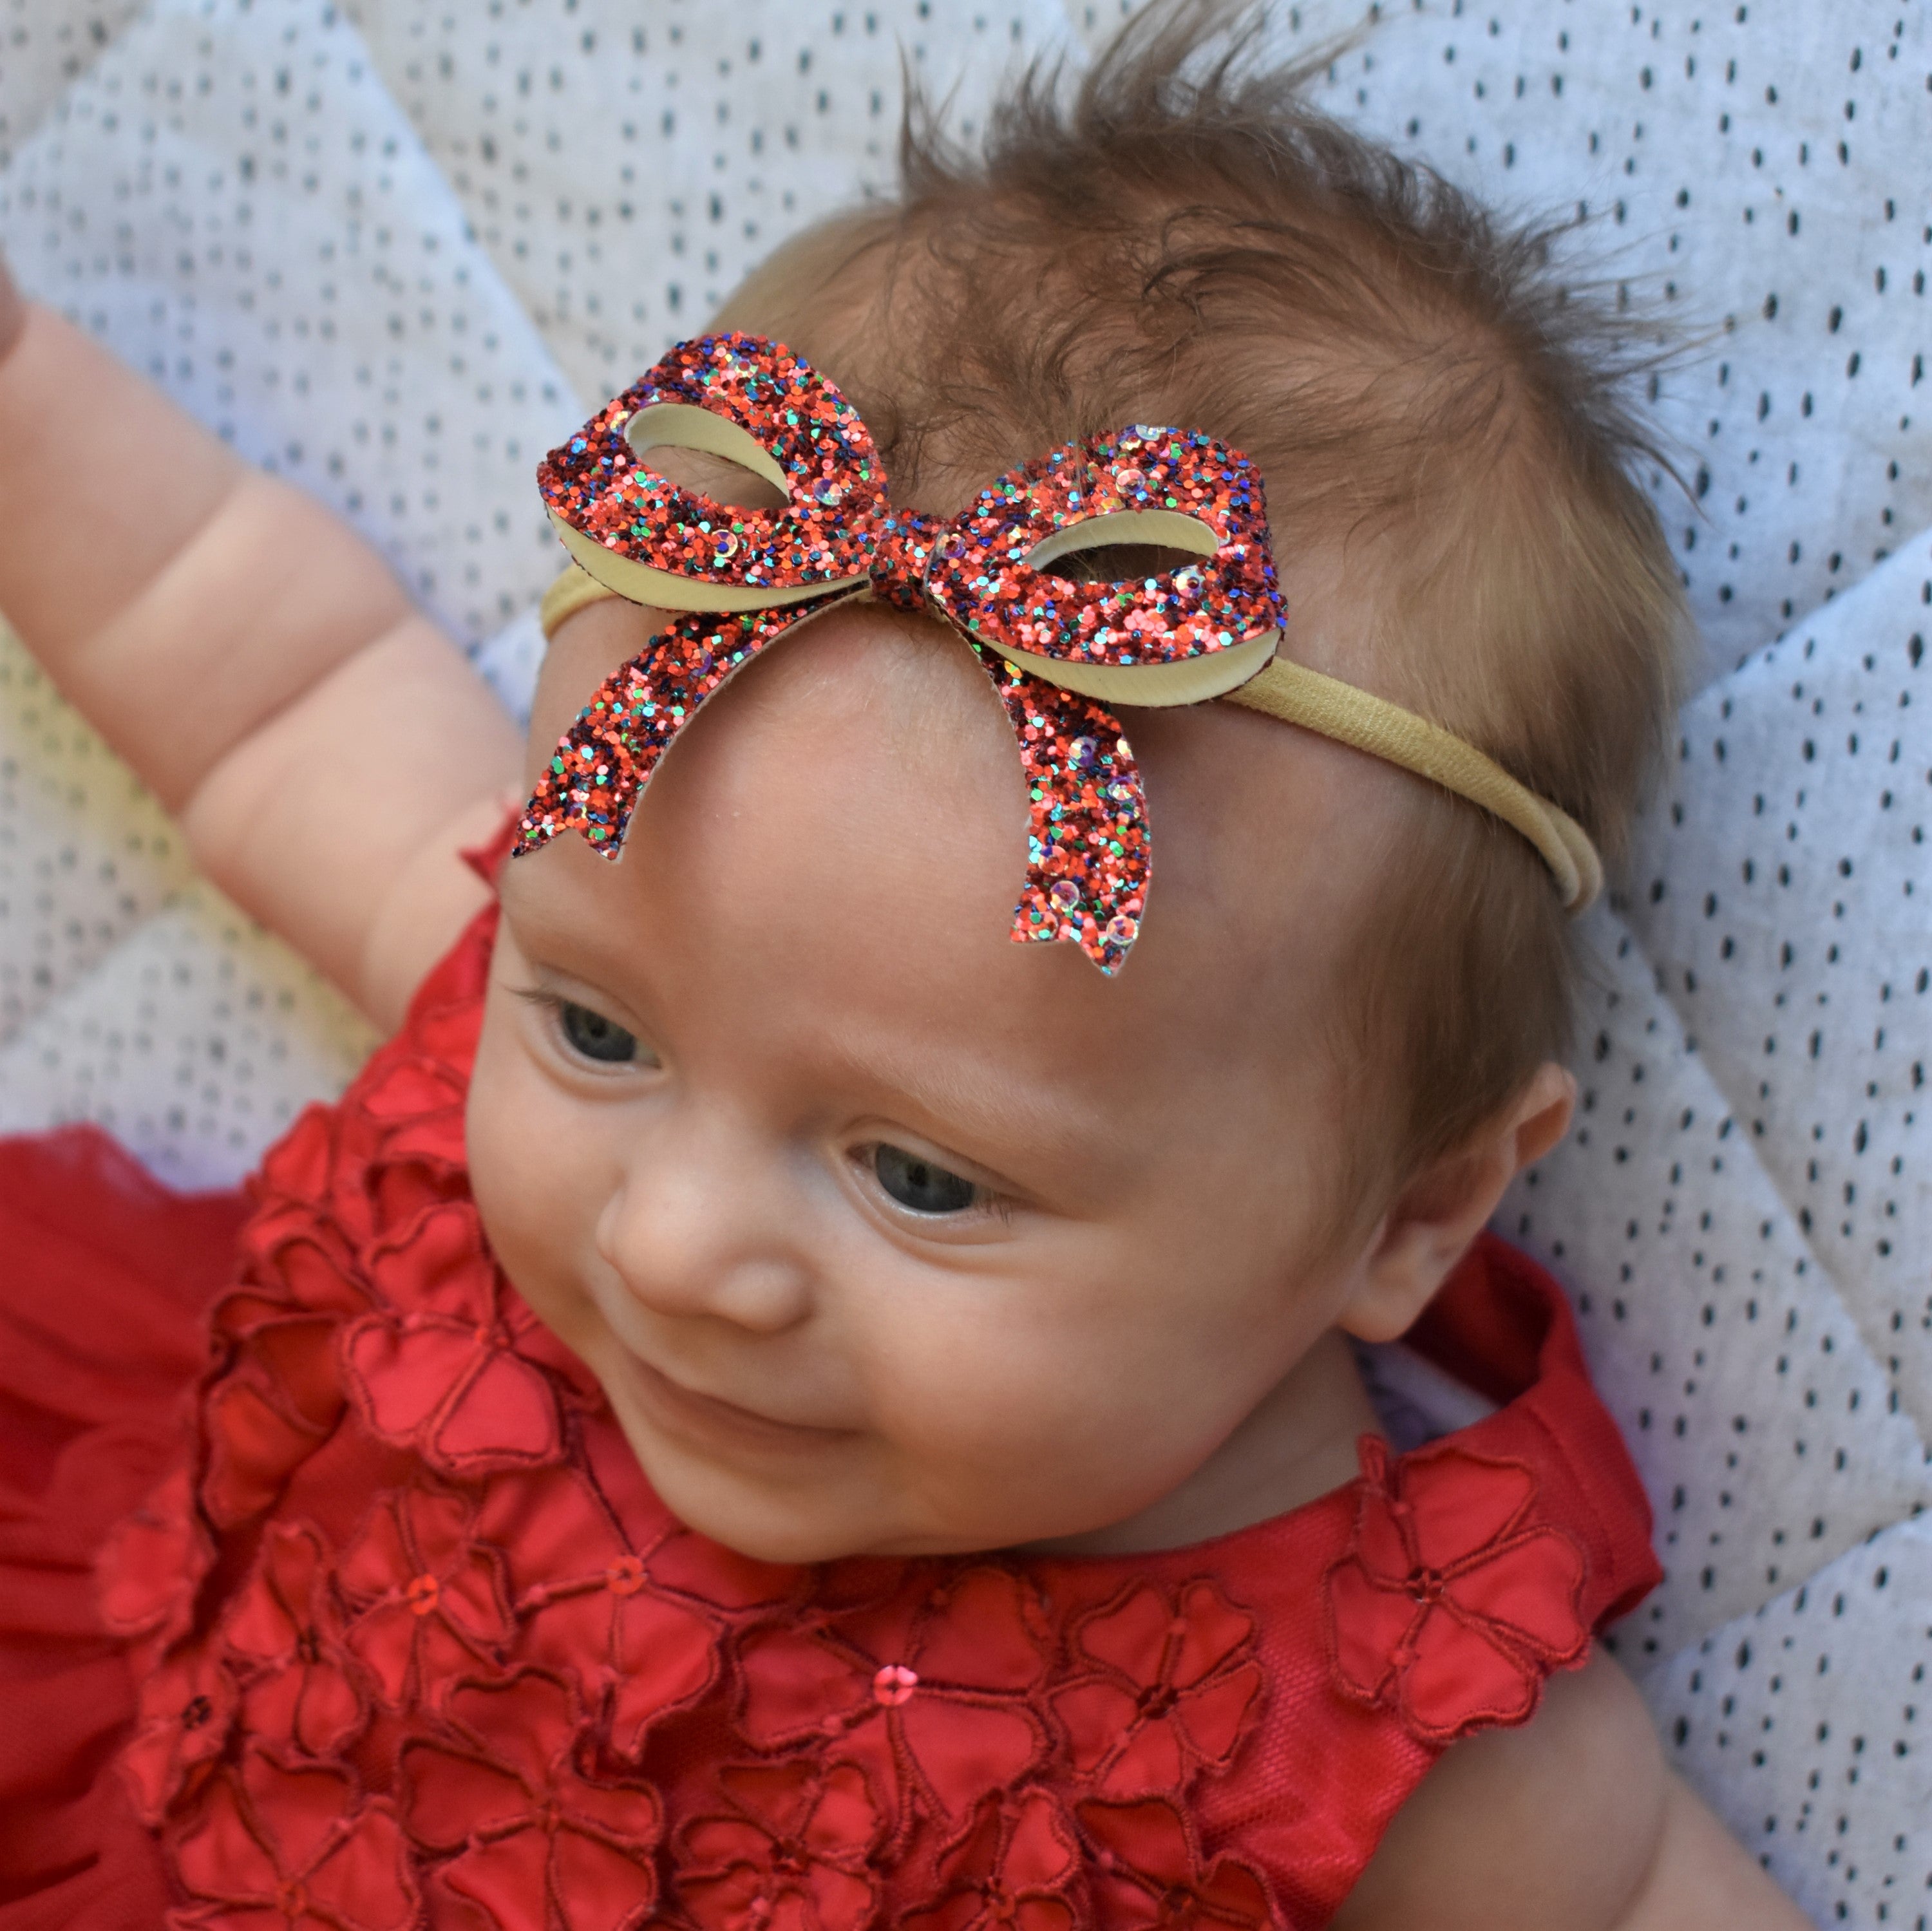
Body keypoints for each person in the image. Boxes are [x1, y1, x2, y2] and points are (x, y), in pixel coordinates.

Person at [0, 6, 1812, 1926]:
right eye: (602, 1032)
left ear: (1418, 1209)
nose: (675, 1247)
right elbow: (260, 674)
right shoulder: (534, 983)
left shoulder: (1391, 1743)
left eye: (924, 1176)